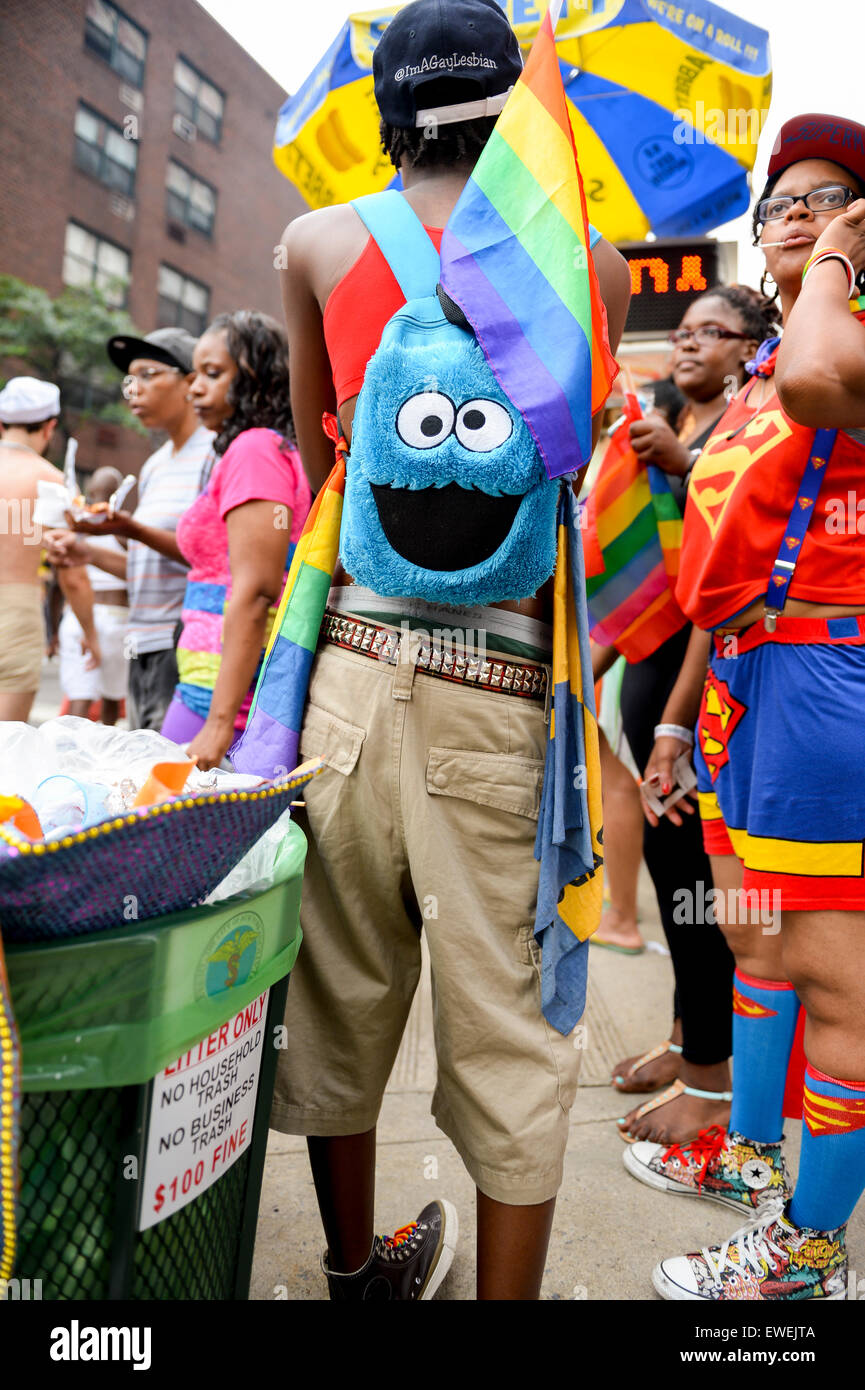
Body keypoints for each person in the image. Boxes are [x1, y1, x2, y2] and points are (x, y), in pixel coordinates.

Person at [273, 0, 631, 1301]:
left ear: (388, 106)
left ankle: (357, 1266)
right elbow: (568, 461)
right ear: (510, 103)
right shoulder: (584, 262)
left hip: (351, 674)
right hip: (499, 684)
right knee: (510, 1024)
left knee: (341, 988)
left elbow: (327, 452)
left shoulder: (315, 242)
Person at [625, 113, 865, 1301]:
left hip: (826, 685)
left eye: (827, 200)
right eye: (781, 204)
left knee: (840, 987)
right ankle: (758, 1160)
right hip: (751, 683)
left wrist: (836, 266)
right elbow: (724, 570)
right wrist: (678, 716)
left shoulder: (840, 340)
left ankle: (808, 1256)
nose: (794, 218)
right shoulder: (767, 370)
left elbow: (830, 384)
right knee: (756, 936)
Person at [605, 286, 780, 1146]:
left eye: (714, 331)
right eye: (682, 331)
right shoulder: (661, 425)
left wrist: (682, 461)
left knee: (700, 891)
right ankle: (687, 1039)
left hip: (700, 688)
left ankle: (713, 1076)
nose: (690, 343)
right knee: (676, 879)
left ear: (753, 349)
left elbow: (726, 583)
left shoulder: (749, 427)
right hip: (648, 676)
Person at [157, 311, 311, 768]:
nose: (194, 389)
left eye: (213, 373)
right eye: (193, 375)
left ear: (257, 379)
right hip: (212, 690)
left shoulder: (255, 450)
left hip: (221, 705)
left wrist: (219, 723)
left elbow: (257, 589)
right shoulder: (269, 448)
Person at [52, 329, 214, 731]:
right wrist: (85, 551)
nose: (133, 390)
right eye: (129, 380)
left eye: (147, 375)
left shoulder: (216, 453)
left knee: (174, 782)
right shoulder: (155, 464)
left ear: (190, 380)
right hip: (140, 643)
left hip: (186, 645)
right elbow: (144, 566)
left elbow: (216, 559)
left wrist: (134, 529)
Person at [0, 376, 100, 721]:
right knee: (6, 749)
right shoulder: (51, 480)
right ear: (49, 427)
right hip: (15, 617)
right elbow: (73, 576)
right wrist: (91, 634)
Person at [57, 467, 128, 725]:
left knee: (79, 695)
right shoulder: (125, 529)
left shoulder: (75, 528)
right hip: (118, 621)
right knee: (112, 697)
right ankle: (103, 752)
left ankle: (68, 758)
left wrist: (54, 632)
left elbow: (61, 582)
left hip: (78, 616)